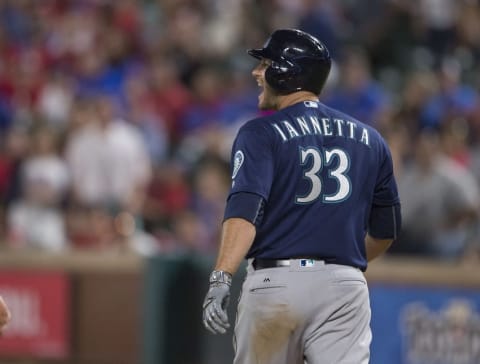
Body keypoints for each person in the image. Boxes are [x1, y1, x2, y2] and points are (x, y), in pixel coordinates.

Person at [202, 29, 402, 364]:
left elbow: (244, 211)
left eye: (265, 63)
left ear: (286, 72)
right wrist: (339, 262)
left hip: (276, 284)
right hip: (344, 288)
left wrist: (222, 274)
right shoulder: (371, 138)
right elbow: (385, 231)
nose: (256, 72)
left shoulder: (260, 132)